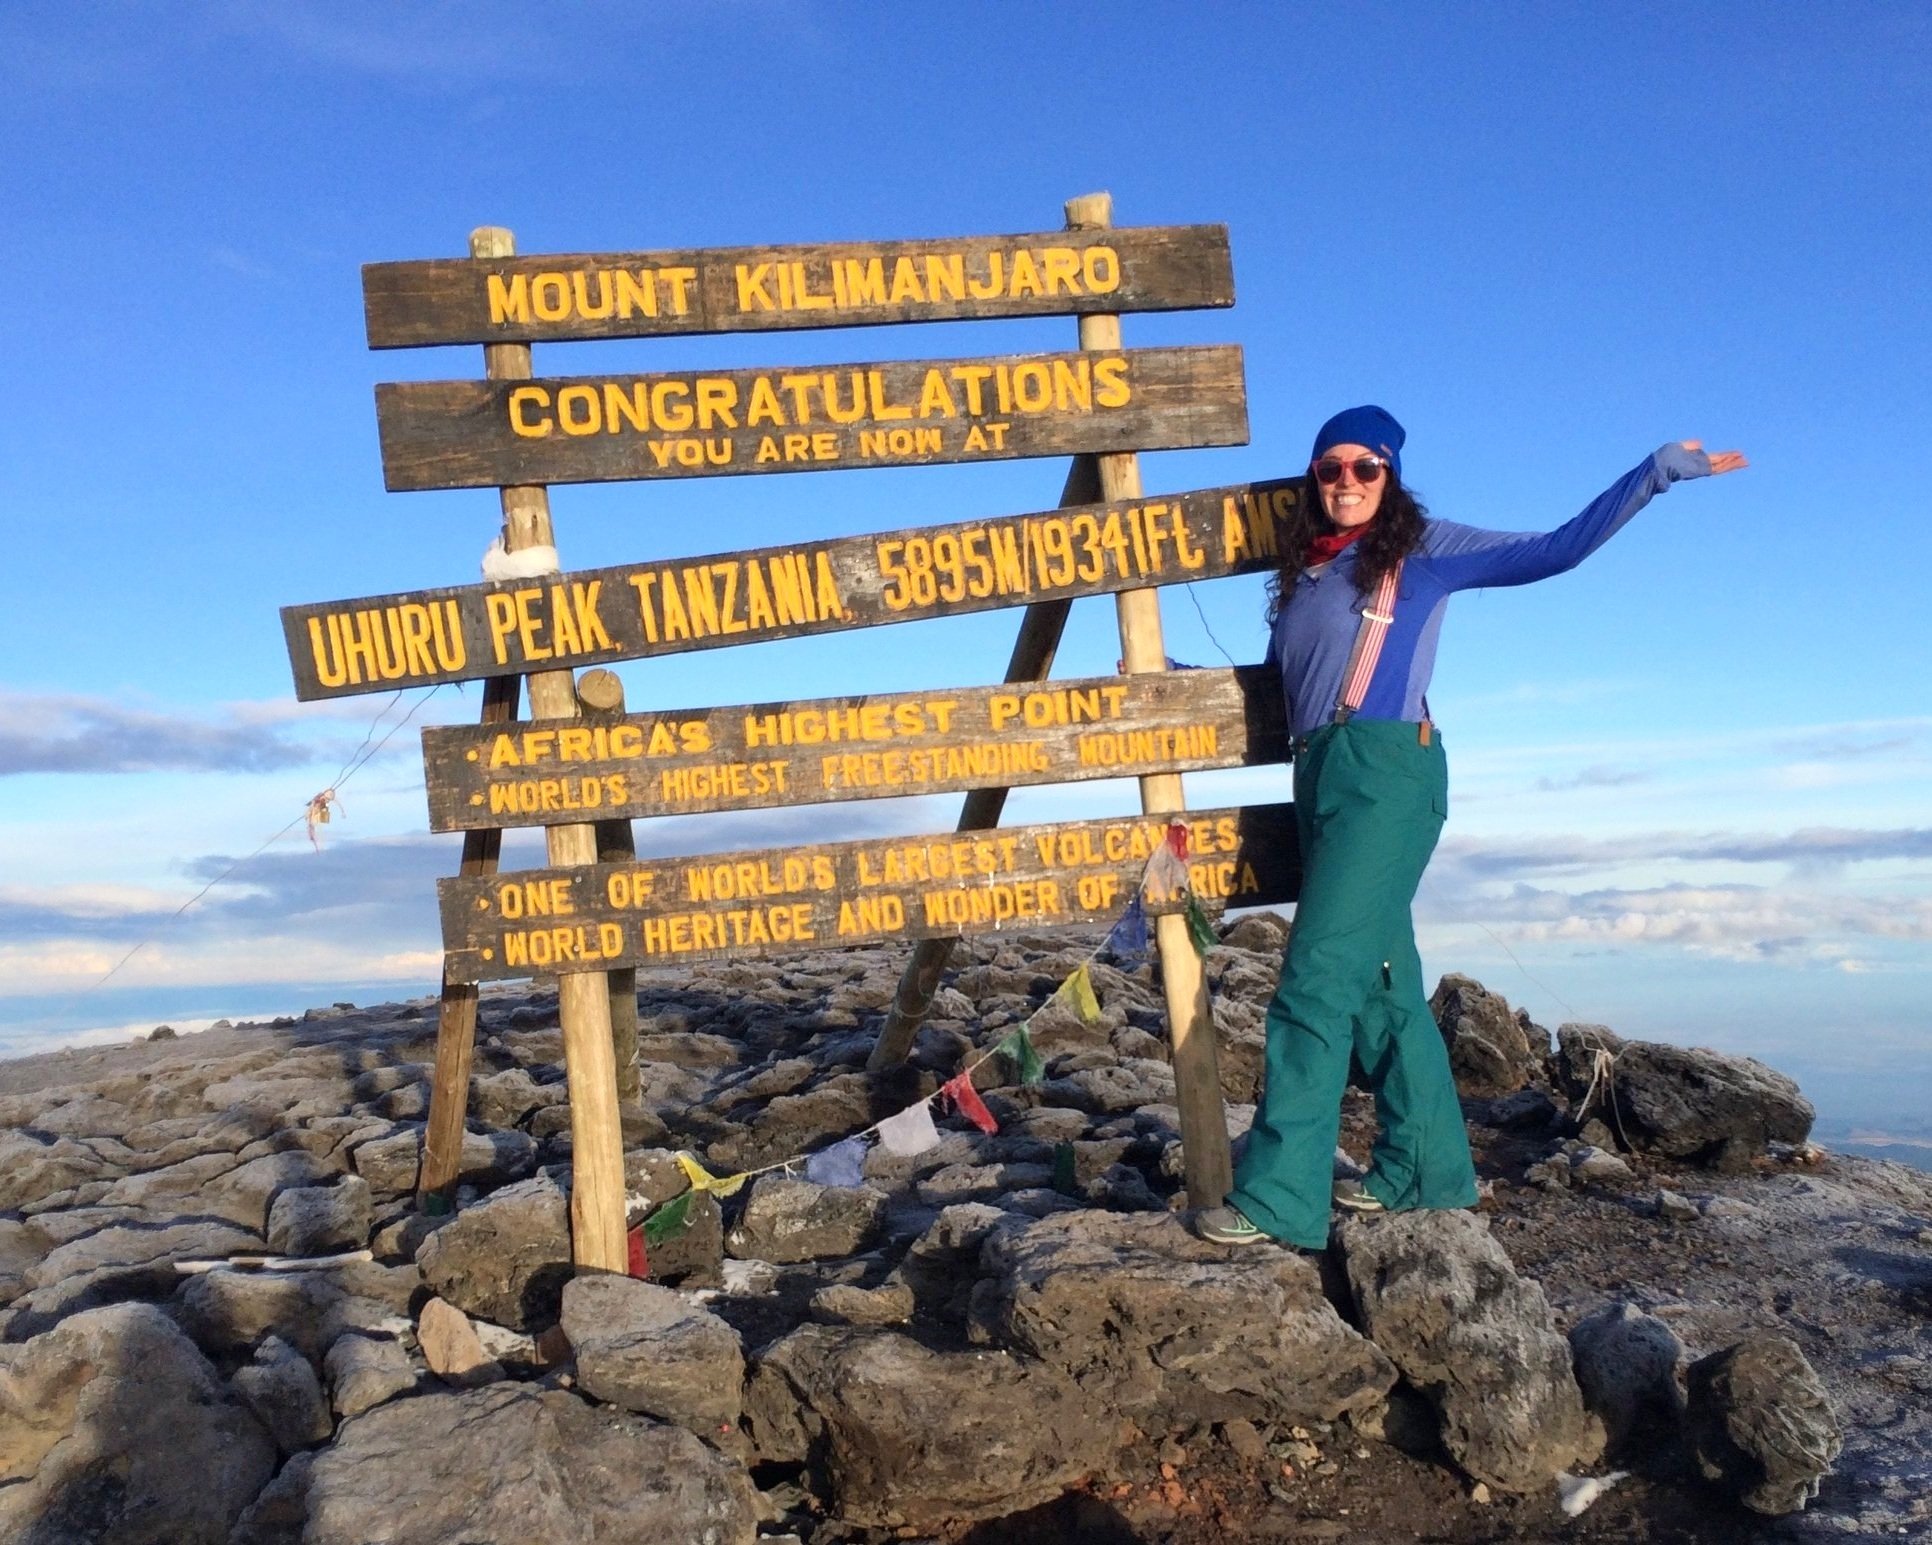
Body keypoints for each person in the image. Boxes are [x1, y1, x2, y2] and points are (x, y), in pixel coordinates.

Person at [1195, 405, 1747, 1249]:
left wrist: (1654, 474)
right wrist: (1171, 682)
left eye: (1365, 468)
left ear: (1391, 476)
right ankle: (1427, 1170)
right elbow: (1279, 694)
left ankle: (1279, 1198)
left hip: (1387, 777)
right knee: (1380, 985)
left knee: (1314, 981)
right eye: (1330, 468)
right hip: (1321, 776)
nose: (1346, 481)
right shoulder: (1305, 576)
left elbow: (1552, 549)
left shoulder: (1424, 553)